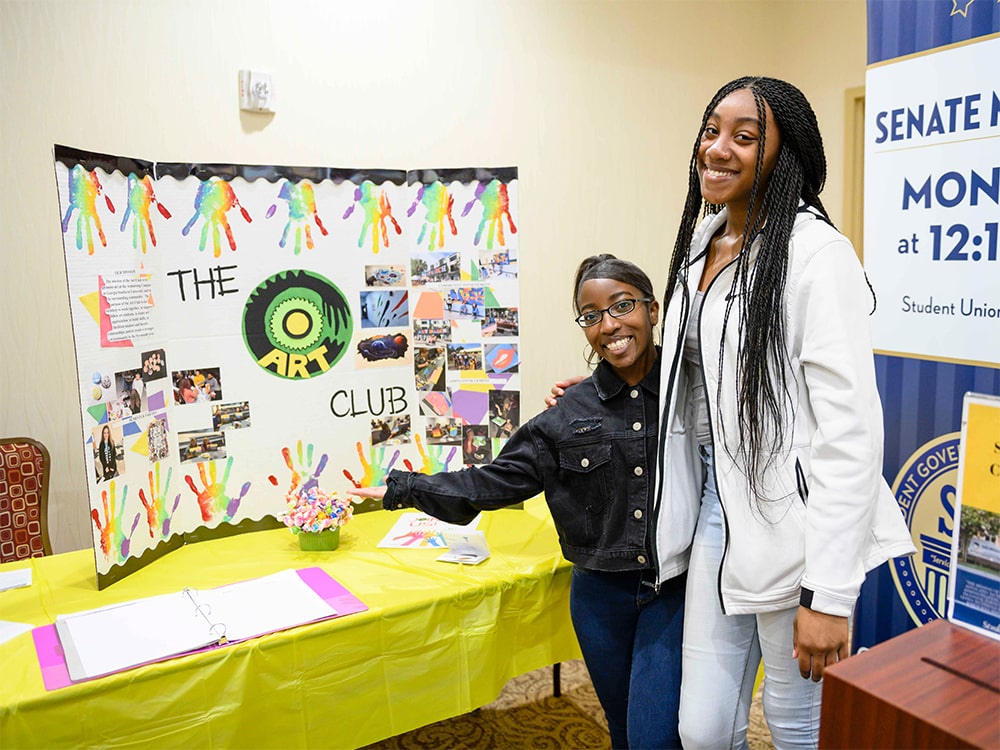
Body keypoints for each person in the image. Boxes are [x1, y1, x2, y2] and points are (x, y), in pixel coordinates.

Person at [551, 77, 915, 749]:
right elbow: (698, 380)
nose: (717, 149)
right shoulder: (702, 247)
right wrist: (614, 385)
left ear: (785, 154)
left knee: (794, 720)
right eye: (711, 129)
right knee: (705, 728)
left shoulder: (816, 256)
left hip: (795, 526)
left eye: (744, 137)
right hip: (715, 514)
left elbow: (851, 433)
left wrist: (829, 594)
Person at [353, 255, 691, 750]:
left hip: (673, 591)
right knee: (622, 729)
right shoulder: (567, 414)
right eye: (591, 315)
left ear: (653, 309)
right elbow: (493, 482)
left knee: (656, 736)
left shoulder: (695, 388)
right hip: (600, 598)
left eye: (622, 306)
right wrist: (404, 489)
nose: (610, 325)